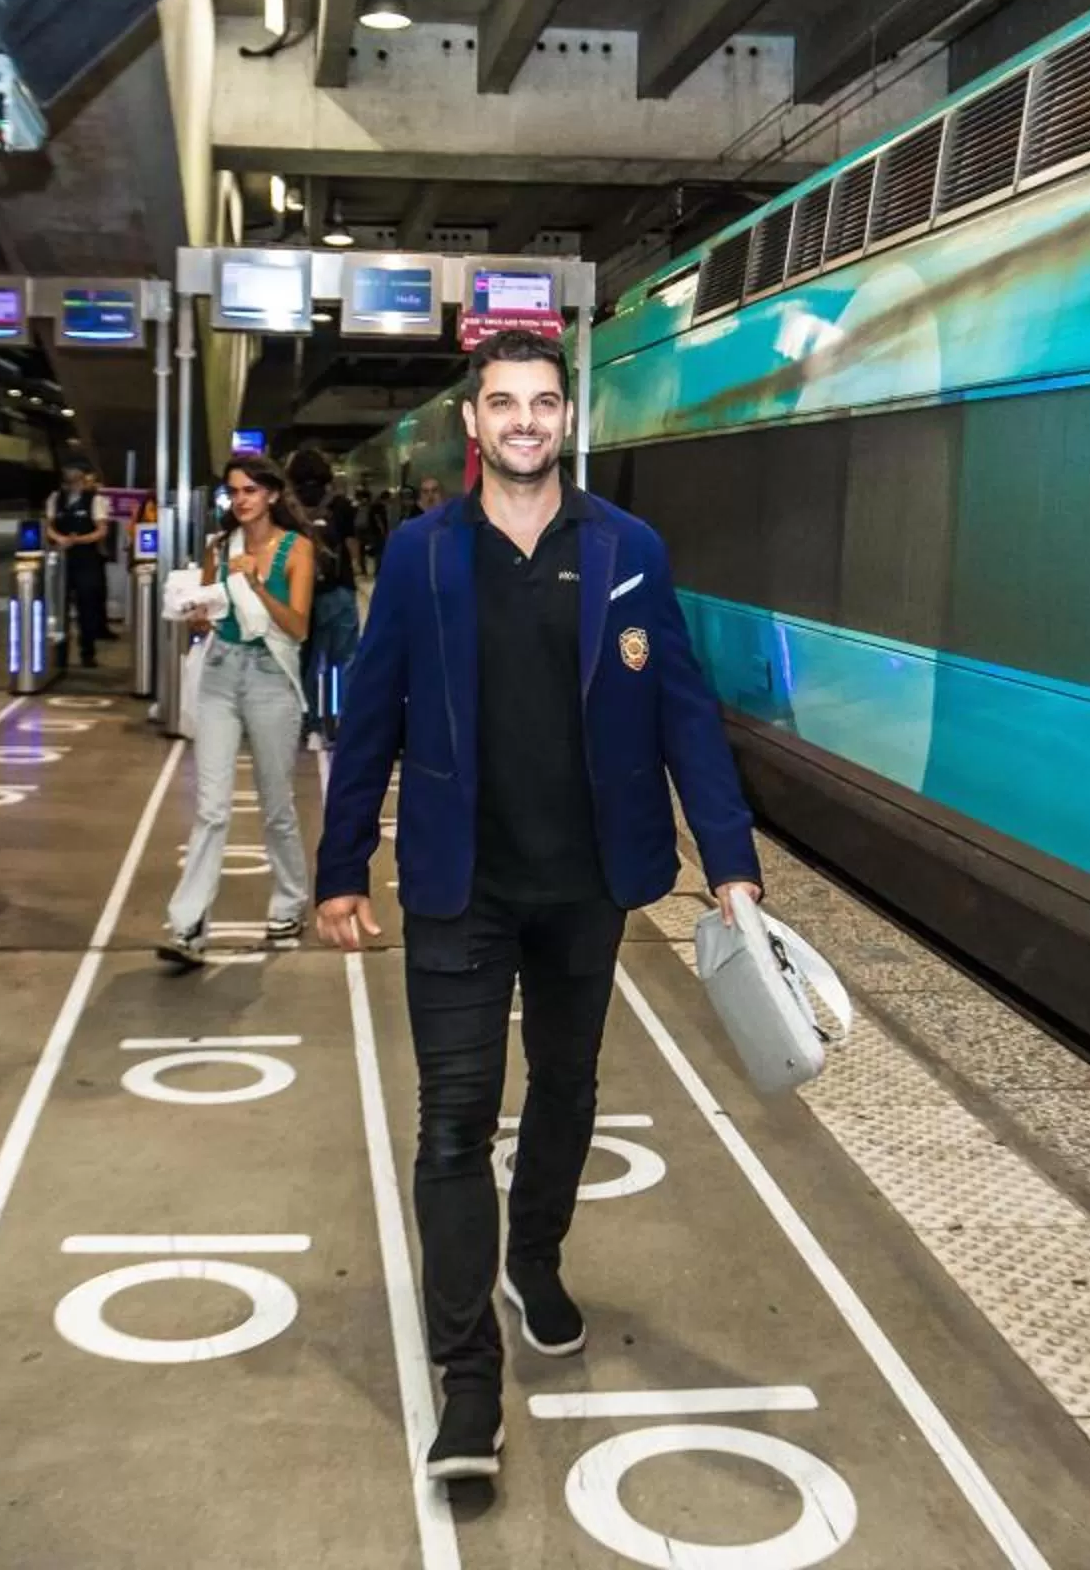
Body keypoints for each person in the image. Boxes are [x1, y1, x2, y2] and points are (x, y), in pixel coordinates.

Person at [313, 329, 764, 1482]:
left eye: (543, 402)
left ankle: (538, 1255)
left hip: (586, 885)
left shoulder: (628, 548)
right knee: (454, 1123)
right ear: (473, 423)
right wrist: (340, 861)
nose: (523, 419)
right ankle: (470, 1384)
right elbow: (370, 718)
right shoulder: (418, 557)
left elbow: (683, 710)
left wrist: (730, 859)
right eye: (502, 402)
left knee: (568, 1086)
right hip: (463, 887)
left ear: (569, 418)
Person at [161, 453, 315, 967]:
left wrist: (252, 584)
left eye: (250, 490)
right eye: (234, 491)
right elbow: (206, 617)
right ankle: (188, 924)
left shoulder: (297, 550)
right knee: (210, 808)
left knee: (276, 805)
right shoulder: (218, 548)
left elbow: (297, 627)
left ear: (272, 494)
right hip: (221, 676)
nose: (241, 500)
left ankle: (290, 901)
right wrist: (195, 615)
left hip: (272, 679)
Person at [285, 447, 361, 743]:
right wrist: (356, 569)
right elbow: (351, 544)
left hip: (300, 594)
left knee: (306, 658)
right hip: (339, 590)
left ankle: (309, 722)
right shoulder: (339, 505)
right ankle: (337, 719)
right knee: (341, 660)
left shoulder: (290, 507)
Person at [42, 460, 114, 668]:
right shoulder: (55, 498)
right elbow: (48, 526)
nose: (69, 475)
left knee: (87, 605)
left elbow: (102, 530)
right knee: (59, 605)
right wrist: (60, 538)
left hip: (86, 558)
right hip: (62, 559)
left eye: (74, 471)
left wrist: (77, 540)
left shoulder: (96, 500)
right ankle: (59, 654)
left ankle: (87, 651)